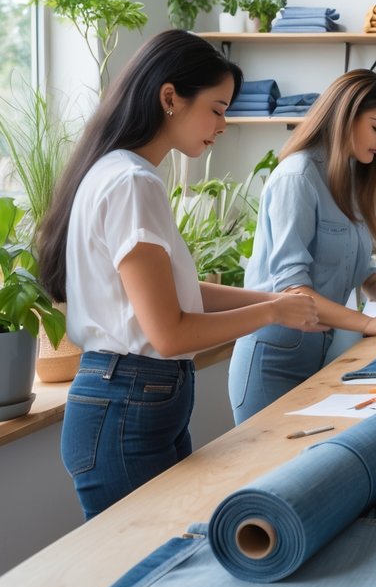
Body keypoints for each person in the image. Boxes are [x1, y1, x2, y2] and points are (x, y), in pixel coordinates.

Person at [37, 30, 320, 518]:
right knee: (144, 570)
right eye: (217, 108)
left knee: (163, 562)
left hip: (132, 399)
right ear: (170, 97)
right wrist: (272, 310)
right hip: (128, 401)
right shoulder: (131, 182)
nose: (224, 123)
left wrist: (264, 298)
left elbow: (177, 294)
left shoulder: (119, 172)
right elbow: (169, 334)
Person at [228, 69, 376, 424]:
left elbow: (363, 272)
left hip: (322, 352)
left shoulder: (349, 178)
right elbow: (293, 290)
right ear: (345, 116)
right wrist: (367, 323)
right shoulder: (298, 177)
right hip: (273, 360)